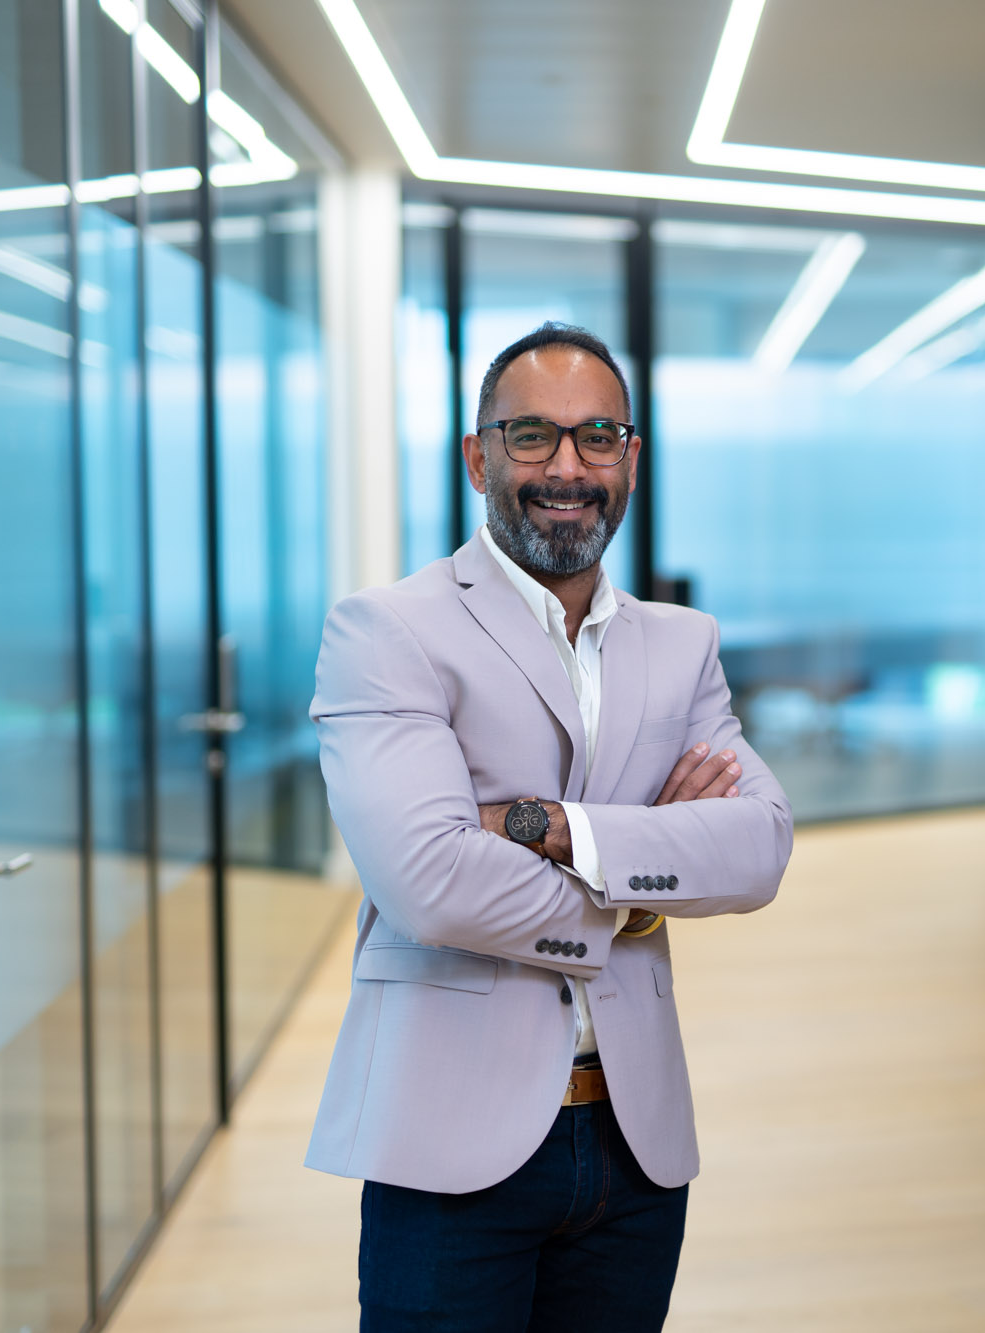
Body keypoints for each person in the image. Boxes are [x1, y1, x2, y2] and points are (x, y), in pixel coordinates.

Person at [307, 321, 793, 1331]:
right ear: (477, 455)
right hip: (449, 1148)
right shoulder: (388, 630)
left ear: (630, 458)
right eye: (531, 436)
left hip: (633, 1142)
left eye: (597, 437)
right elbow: (426, 880)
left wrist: (543, 825)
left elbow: (758, 849)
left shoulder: (680, 643)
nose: (566, 467)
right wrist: (646, 870)